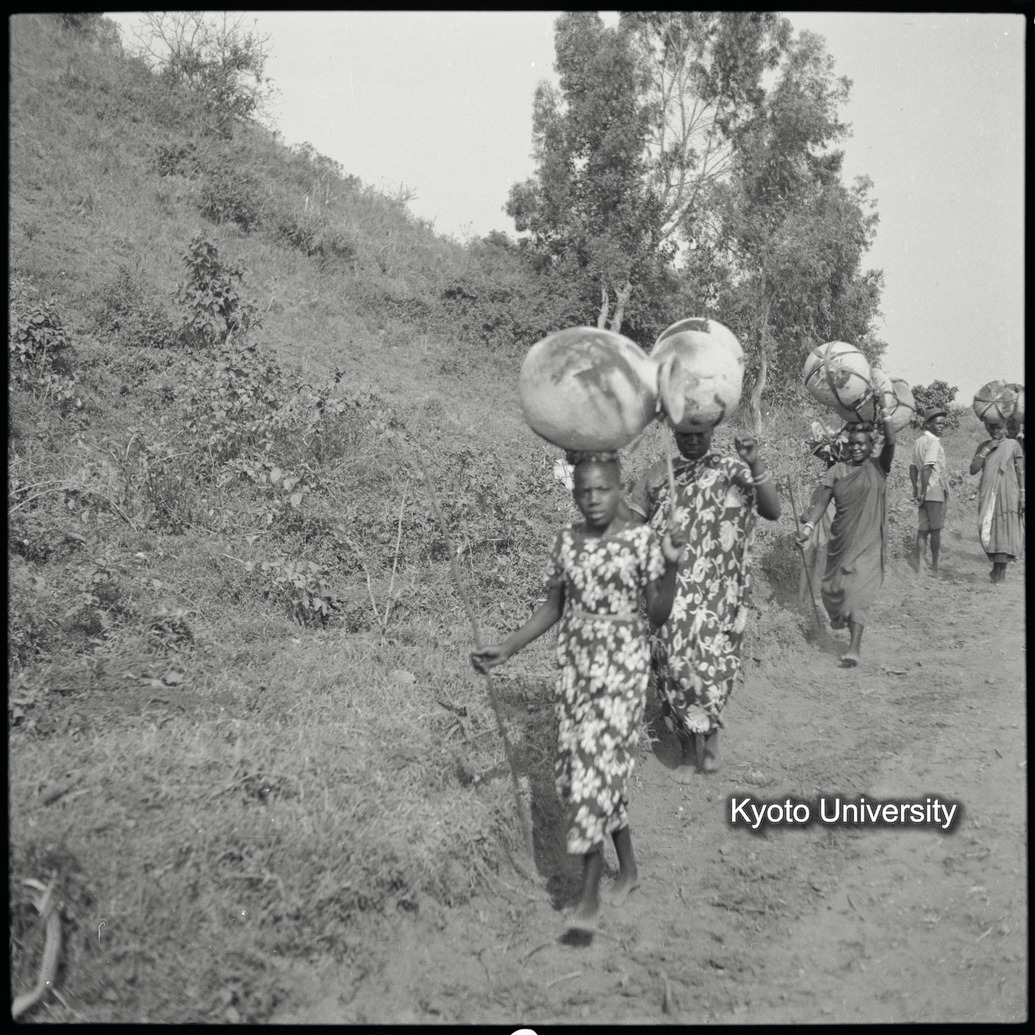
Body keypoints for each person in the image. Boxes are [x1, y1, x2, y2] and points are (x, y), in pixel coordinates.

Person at [471, 451, 684, 929]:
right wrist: (507, 648)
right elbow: (555, 606)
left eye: (603, 489)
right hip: (576, 671)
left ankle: (588, 897)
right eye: (583, 491)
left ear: (620, 490)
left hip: (622, 671)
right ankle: (628, 869)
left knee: (592, 773)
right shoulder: (567, 541)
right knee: (577, 776)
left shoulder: (640, 541)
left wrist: (670, 566)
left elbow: (657, 614)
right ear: (574, 494)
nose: (593, 499)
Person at [627, 429, 781, 780]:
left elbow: (773, 511)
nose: (693, 437)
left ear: (713, 427)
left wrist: (754, 462)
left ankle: (709, 738)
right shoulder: (658, 473)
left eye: (701, 430)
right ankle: (686, 751)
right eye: (686, 430)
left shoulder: (731, 470)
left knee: (713, 666)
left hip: (719, 591)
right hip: (670, 588)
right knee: (672, 665)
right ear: (674, 429)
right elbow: (632, 527)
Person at [796, 411, 896, 667]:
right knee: (833, 590)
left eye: (861, 444)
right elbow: (822, 503)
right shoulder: (837, 471)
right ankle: (842, 620)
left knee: (858, 593)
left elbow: (891, 442)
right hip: (841, 541)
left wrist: (885, 414)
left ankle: (854, 649)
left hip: (870, 543)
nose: (855, 448)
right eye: (851, 444)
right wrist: (808, 528)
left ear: (872, 446)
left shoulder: (878, 467)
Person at [969, 420, 1025, 583]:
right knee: (987, 527)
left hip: (1009, 493)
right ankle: (996, 568)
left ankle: (1001, 571)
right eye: (992, 428)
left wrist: (1022, 495)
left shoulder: (1013, 445)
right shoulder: (983, 446)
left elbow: (1020, 472)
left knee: (1005, 530)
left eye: (999, 428)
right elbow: (973, 470)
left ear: (1006, 429)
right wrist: (986, 450)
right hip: (989, 494)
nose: (995, 431)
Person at [799, 423, 848, 605]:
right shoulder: (825, 484)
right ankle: (804, 599)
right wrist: (807, 517)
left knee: (824, 557)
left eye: (827, 458)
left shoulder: (842, 481)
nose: (826, 461)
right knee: (812, 557)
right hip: (816, 538)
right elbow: (814, 510)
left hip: (830, 537)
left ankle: (816, 600)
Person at [909, 407, 949, 575]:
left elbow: (913, 467)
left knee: (922, 529)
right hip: (934, 490)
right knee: (936, 530)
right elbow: (927, 467)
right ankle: (935, 566)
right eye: (938, 424)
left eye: (943, 424)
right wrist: (924, 491)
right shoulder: (934, 443)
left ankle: (920, 566)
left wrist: (916, 489)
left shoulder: (919, 442)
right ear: (928, 424)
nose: (941, 427)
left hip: (922, 490)